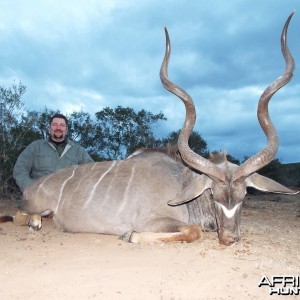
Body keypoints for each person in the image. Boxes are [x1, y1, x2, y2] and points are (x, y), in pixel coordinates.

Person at [13, 113, 94, 193]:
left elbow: (92, 171)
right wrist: (29, 187)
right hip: (39, 195)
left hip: (67, 198)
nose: (58, 128)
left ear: (66, 129)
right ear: (50, 127)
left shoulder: (78, 150)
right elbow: (20, 169)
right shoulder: (35, 146)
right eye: (55, 124)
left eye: (62, 125)